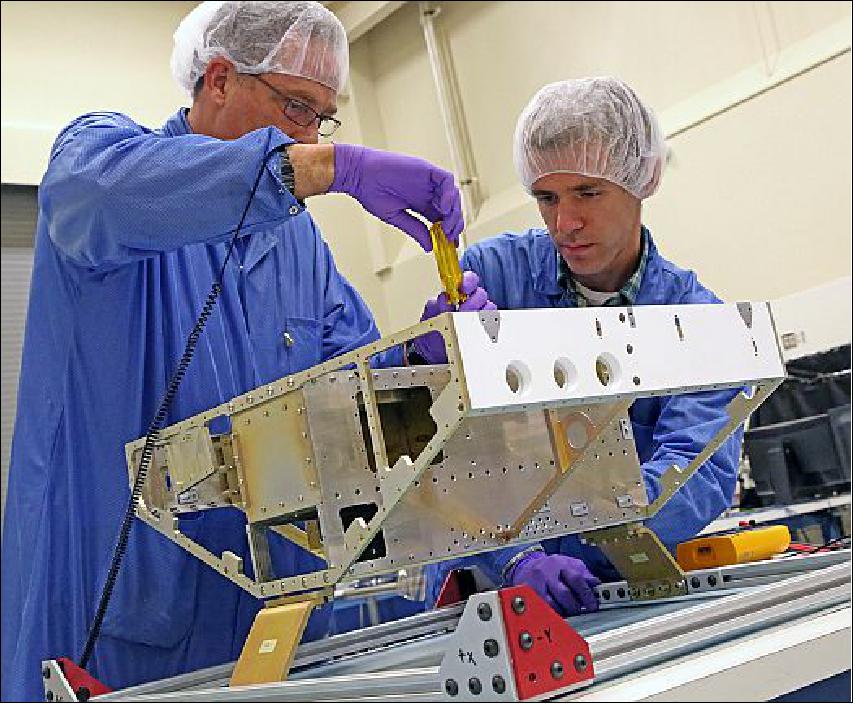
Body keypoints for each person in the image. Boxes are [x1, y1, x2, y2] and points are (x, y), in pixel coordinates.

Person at [0, 2, 464, 700]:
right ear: (218, 79)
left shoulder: (297, 245)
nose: (309, 134)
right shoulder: (103, 157)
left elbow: (355, 400)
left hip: (264, 626)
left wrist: (421, 361)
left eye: (321, 118)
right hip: (116, 624)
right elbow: (90, 196)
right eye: (296, 106)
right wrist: (326, 167)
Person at [412, 77, 743, 618]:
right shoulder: (494, 276)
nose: (565, 223)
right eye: (547, 198)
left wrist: (592, 540)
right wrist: (421, 361)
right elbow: (439, 450)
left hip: (616, 591)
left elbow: (697, 467)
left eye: (588, 193)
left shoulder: (695, 320)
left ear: (641, 180)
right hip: (485, 593)